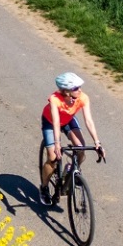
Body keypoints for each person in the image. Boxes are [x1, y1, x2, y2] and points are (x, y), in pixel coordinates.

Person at [39, 71, 102, 201]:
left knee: (81, 148)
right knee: (53, 157)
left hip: (68, 120)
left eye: (79, 87)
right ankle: (44, 187)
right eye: (76, 88)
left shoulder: (82, 97)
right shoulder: (55, 99)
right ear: (66, 91)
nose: (80, 90)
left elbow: (88, 121)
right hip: (50, 123)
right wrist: (57, 144)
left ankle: (71, 170)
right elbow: (56, 122)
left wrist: (97, 142)